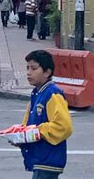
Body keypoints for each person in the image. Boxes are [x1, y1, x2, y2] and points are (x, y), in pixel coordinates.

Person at [18, 50, 73, 178]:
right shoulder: (36, 93)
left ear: (47, 72)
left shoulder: (52, 94)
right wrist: (21, 137)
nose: (28, 72)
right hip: (39, 158)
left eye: (34, 68)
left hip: (48, 159)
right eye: (27, 68)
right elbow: (28, 124)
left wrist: (37, 131)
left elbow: (64, 127)